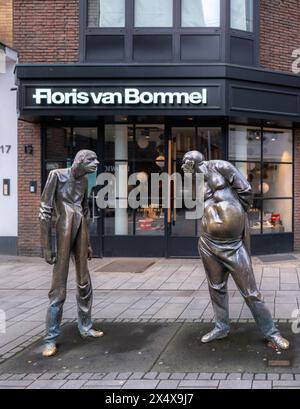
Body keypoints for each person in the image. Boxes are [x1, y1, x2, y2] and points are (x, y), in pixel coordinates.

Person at [182, 151, 289, 350]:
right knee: (216, 288)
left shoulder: (220, 166)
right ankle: (221, 327)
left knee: (250, 292)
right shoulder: (194, 181)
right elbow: (196, 206)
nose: (184, 167)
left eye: (186, 163)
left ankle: (272, 333)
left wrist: (237, 214)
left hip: (232, 243)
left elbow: (246, 191)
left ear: (194, 160)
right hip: (208, 242)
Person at [40, 150, 104, 357]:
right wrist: (46, 246)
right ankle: (50, 338)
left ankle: (85, 326)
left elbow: (84, 210)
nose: (96, 163)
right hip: (63, 232)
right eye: (91, 160)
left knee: (84, 281)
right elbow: (45, 210)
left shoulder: (84, 181)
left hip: (81, 231)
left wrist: (88, 244)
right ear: (79, 162)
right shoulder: (57, 176)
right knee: (58, 286)